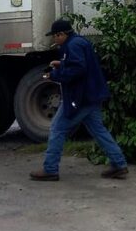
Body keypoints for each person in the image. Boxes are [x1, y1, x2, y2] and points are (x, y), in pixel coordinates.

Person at [29, 19, 128, 181]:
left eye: (55, 36)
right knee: (99, 131)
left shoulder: (72, 45)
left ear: (61, 34)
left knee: (57, 128)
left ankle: (50, 169)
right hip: (91, 96)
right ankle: (119, 164)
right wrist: (61, 64)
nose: (54, 40)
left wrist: (53, 75)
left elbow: (78, 70)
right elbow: (80, 64)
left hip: (80, 97)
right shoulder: (79, 42)